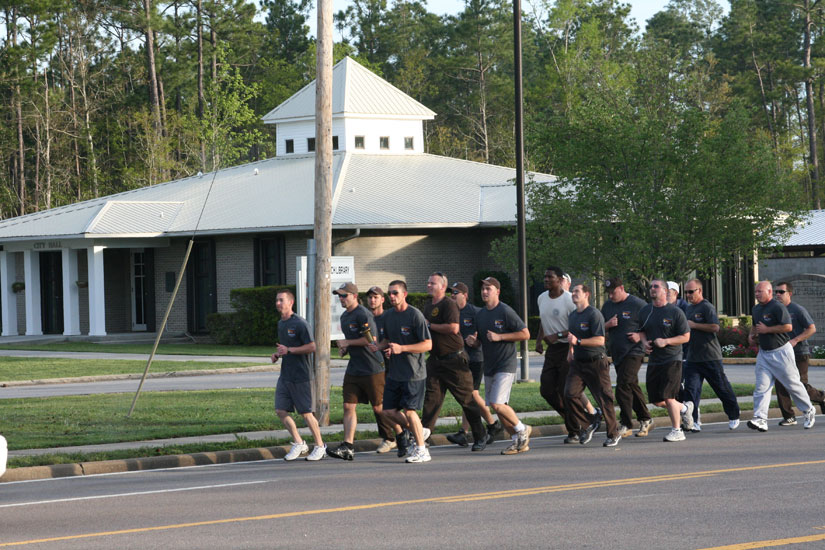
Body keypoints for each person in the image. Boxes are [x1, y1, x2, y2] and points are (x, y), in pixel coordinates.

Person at [420, 273, 488, 452]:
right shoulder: (429, 306)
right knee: (431, 401)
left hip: (454, 360)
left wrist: (429, 325)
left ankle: (480, 435)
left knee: (466, 400)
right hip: (435, 360)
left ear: (442, 287)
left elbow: (453, 327)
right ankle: (422, 439)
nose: (429, 285)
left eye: (433, 283)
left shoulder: (448, 304)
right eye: (428, 282)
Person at [327, 282, 394, 461]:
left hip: (372, 367)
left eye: (344, 295)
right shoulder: (344, 317)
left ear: (354, 296)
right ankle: (348, 446)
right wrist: (345, 349)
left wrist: (347, 342)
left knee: (380, 408)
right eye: (339, 296)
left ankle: (403, 434)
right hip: (354, 368)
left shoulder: (363, 314)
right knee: (348, 406)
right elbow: (352, 340)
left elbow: (371, 340)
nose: (341, 299)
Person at [467, 277, 532, 455]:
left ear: (497, 292)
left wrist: (500, 337)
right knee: (500, 409)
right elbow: (481, 340)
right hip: (490, 365)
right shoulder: (481, 314)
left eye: (488, 288)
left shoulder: (505, 311)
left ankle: (522, 429)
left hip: (506, 364)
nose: (484, 292)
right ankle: (517, 441)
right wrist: (474, 342)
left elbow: (525, 334)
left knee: (497, 404)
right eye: (483, 288)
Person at [373, 280, 434, 463]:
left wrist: (402, 348)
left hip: (413, 373)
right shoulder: (388, 316)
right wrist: (379, 346)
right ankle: (419, 431)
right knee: (388, 411)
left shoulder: (415, 315)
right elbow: (388, 340)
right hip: (395, 372)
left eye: (395, 293)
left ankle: (422, 450)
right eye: (390, 293)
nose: (392, 296)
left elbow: (428, 344)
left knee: (409, 411)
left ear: (404, 294)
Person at [535, 267, 598, 444]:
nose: (546, 279)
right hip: (552, 350)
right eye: (545, 276)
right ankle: (580, 419)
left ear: (560, 279)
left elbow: (576, 326)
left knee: (566, 391)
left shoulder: (569, 300)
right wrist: (539, 340)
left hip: (567, 349)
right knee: (546, 390)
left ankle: (575, 430)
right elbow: (543, 321)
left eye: (550, 277)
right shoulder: (541, 298)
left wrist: (559, 336)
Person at [747, 281, 816, 432]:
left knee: (792, 385)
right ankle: (760, 419)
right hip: (764, 354)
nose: (757, 294)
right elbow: (755, 325)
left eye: (760, 291)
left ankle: (808, 410)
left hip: (781, 352)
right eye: (756, 292)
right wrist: (752, 335)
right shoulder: (756, 309)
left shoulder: (777, 307)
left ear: (769, 292)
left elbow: (788, 327)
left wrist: (767, 329)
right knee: (761, 387)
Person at [445, 281, 503, 447]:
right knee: (466, 396)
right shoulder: (451, 312)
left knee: (472, 395)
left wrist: (477, 341)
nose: (452, 295)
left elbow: (487, 334)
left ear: (465, 295)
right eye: (451, 293)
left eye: (456, 292)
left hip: (476, 359)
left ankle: (492, 425)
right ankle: (464, 432)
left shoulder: (475, 312)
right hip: (459, 360)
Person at [271, 289, 326, 461]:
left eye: (281, 300)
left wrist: (289, 350)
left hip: (302, 376)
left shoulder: (300, 323)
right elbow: (286, 348)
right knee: (280, 410)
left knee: (306, 413)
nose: (278, 303)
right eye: (277, 300)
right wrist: (278, 354)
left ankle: (320, 446)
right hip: (286, 375)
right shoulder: (281, 324)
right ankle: (299, 443)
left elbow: (312, 347)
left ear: (290, 302)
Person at [565, 284, 621, 447]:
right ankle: (589, 423)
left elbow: (599, 340)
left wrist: (578, 342)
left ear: (586, 294)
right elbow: (571, 337)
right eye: (572, 292)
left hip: (596, 362)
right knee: (569, 394)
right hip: (578, 363)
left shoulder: (594, 314)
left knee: (604, 398)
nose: (573, 294)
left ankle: (613, 434)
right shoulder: (572, 315)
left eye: (577, 291)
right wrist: (570, 350)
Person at [638, 278, 692, 442]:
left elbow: (686, 337)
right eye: (651, 287)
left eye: (656, 286)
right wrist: (644, 343)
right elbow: (641, 331)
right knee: (656, 400)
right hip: (655, 360)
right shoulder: (645, 311)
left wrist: (666, 341)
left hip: (672, 359)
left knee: (669, 397)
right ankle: (684, 408)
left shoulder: (675, 312)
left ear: (665, 291)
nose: (652, 289)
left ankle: (677, 430)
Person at [682, 279, 740, 431]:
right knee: (691, 391)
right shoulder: (688, 308)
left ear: (699, 291)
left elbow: (715, 327)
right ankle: (694, 421)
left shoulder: (707, 307)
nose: (688, 295)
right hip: (693, 357)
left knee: (721, 387)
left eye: (691, 291)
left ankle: (734, 415)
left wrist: (695, 325)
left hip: (710, 356)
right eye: (686, 292)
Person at [601, 277, 653, 437]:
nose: (611, 296)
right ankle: (646, 418)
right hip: (617, 352)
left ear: (622, 288)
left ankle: (626, 423)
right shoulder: (607, 306)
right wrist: (607, 325)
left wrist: (639, 336)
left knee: (623, 385)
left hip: (634, 351)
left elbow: (652, 325)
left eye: (613, 292)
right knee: (631, 385)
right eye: (608, 293)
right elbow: (599, 327)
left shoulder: (638, 304)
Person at [773, 281, 825, 425]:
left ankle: (821, 397)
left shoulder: (797, 310)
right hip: (781, 354)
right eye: (776, 292)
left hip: (799, 352)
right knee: (780, 383)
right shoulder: (775, 310)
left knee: (799, 384)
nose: (778, 294)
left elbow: (811, 329)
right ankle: (789, 417)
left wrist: (795, 340)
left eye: (781, 292)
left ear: (789, 294)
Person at [365, 285, 403, 453]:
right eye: (370, 297)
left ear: (382, 299)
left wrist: (391, 348)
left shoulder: (388, 317)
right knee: (379, 405)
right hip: (372, 366)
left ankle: (401, 435)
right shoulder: (366, 318)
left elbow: (397, 337)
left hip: (391, 365)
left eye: (376, 297)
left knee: (387, 405)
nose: (372, 300)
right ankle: (391, 437)